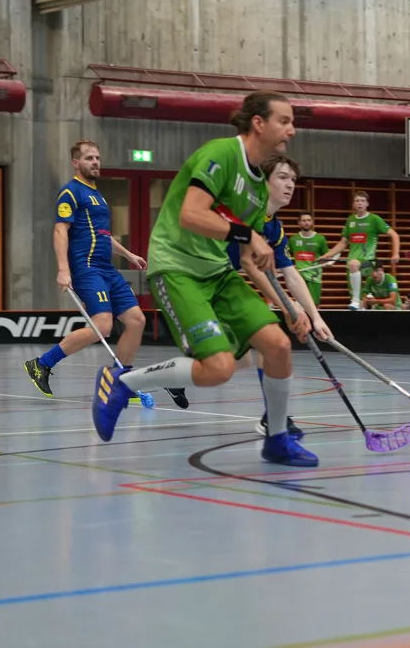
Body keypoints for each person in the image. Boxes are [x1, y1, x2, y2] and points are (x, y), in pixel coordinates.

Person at [90, 90, 321, 466]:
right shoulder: (221, 154)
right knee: (219, 369)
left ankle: (277, 440)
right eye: (285, 121)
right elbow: (190, 215)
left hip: (219, 273)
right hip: (178, 269)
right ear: (259, 123)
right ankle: (123, 382)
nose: (291, 130)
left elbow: (249, 258)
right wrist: (248, 235)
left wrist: (288, 306)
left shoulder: (259, 190)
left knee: (277, 346)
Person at [25, 141, 188, 409]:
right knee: (103, 325)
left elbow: (103, 235)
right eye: (89, 158)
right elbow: (60, 230)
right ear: (76, 163)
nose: (96, 162)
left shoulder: (97, 195)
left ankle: (120, 380)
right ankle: (41, 364)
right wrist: (64, 270)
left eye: (98, 157)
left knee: (136, 320)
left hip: (107, 269)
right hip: (86, 268)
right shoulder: (70, 192)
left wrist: (128, 255)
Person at [223, 154, 333, 438]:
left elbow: (291, 273)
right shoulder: (248, 213)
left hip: (229, 280)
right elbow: (249, 263)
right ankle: (273, 418)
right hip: (207, 277)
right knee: (267, 340)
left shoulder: (276, 227)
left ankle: (272, 417)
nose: (290, 185)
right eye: (282, 178)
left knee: (243, 359)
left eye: (293, 180)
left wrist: (316, 317)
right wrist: (288, 306)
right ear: (264, 182)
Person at [318, 191, 400, 310]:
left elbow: (394, 234)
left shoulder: (374, 219)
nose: (360, 203)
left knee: (353, 265)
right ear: (353, 204)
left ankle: (356, 300)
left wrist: (395, 253)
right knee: (360, 305)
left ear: (367, 204)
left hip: (368, 261)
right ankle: (357, 302)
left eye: (362, 201)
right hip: (352, 264)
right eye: (357, 201)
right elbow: (342, 243)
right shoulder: (350, 220)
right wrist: (326, 256)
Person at [287, 212, 328, 306]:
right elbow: (286, 256)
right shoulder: (293, 239)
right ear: (299, 223)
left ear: (312, 222)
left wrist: (326, 262)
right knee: (299, 304)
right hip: (299, 275)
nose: (306, 223)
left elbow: (326, 257)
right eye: (304, 220)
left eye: (309, 220)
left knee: (314, 306)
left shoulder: (320, 239)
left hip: (315, 277)